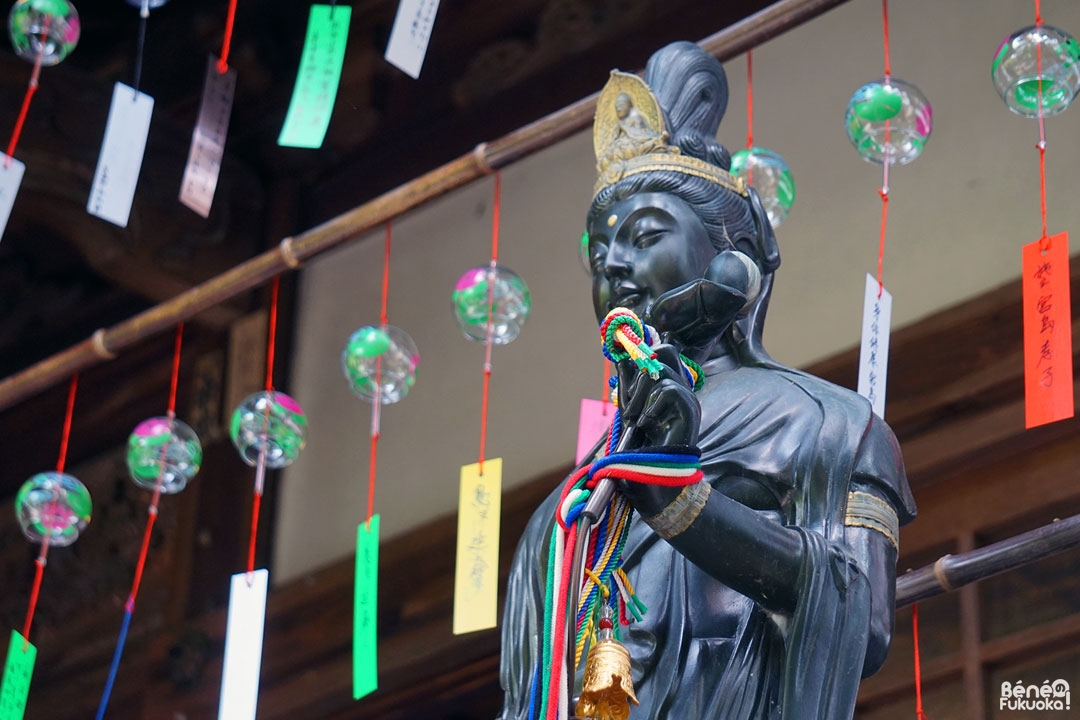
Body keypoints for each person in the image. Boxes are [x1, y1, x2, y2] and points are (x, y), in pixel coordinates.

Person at [498, 41, 916, 720]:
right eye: (600, 257)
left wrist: (684, 506)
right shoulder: (569, 510)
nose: (616, 270)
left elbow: (858, 617)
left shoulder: (828, 425)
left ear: (733, 256)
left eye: (646, 235)